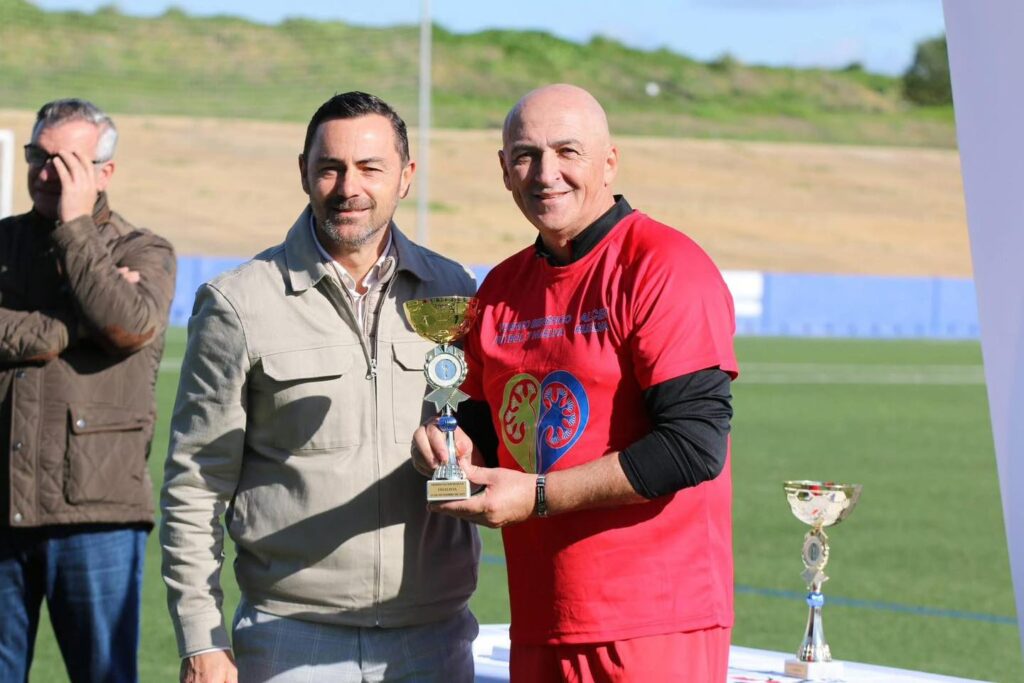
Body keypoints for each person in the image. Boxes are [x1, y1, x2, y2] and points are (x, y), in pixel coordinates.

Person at [413, 83, 739, 682]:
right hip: (542, 619)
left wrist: (537, 495)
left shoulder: (664, 265)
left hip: (654, 625)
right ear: (504, 171)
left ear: (609, 162)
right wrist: (448, 447)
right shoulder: (501, 288)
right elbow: (483, 428)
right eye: (526, 155)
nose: (546, 174)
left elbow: (693, 447)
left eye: (568, 151)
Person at [160, 91, 480, 683]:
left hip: (434, 637)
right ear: (303, 173)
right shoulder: (239, 302)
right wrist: (201, 637)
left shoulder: (454, 291)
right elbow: (197, 480)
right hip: (289, 638)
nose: (348, 187)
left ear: (406, 176)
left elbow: (484, 433)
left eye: (370, 167)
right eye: (330, 167)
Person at [0, 98, 177, 682]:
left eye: (67, 162)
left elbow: (125, 322)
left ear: (105, 172)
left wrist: (76, 226)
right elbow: (96, 322)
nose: (46, 172)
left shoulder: (143, 251)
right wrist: (70, 328)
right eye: (38, 156)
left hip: (95, 513)